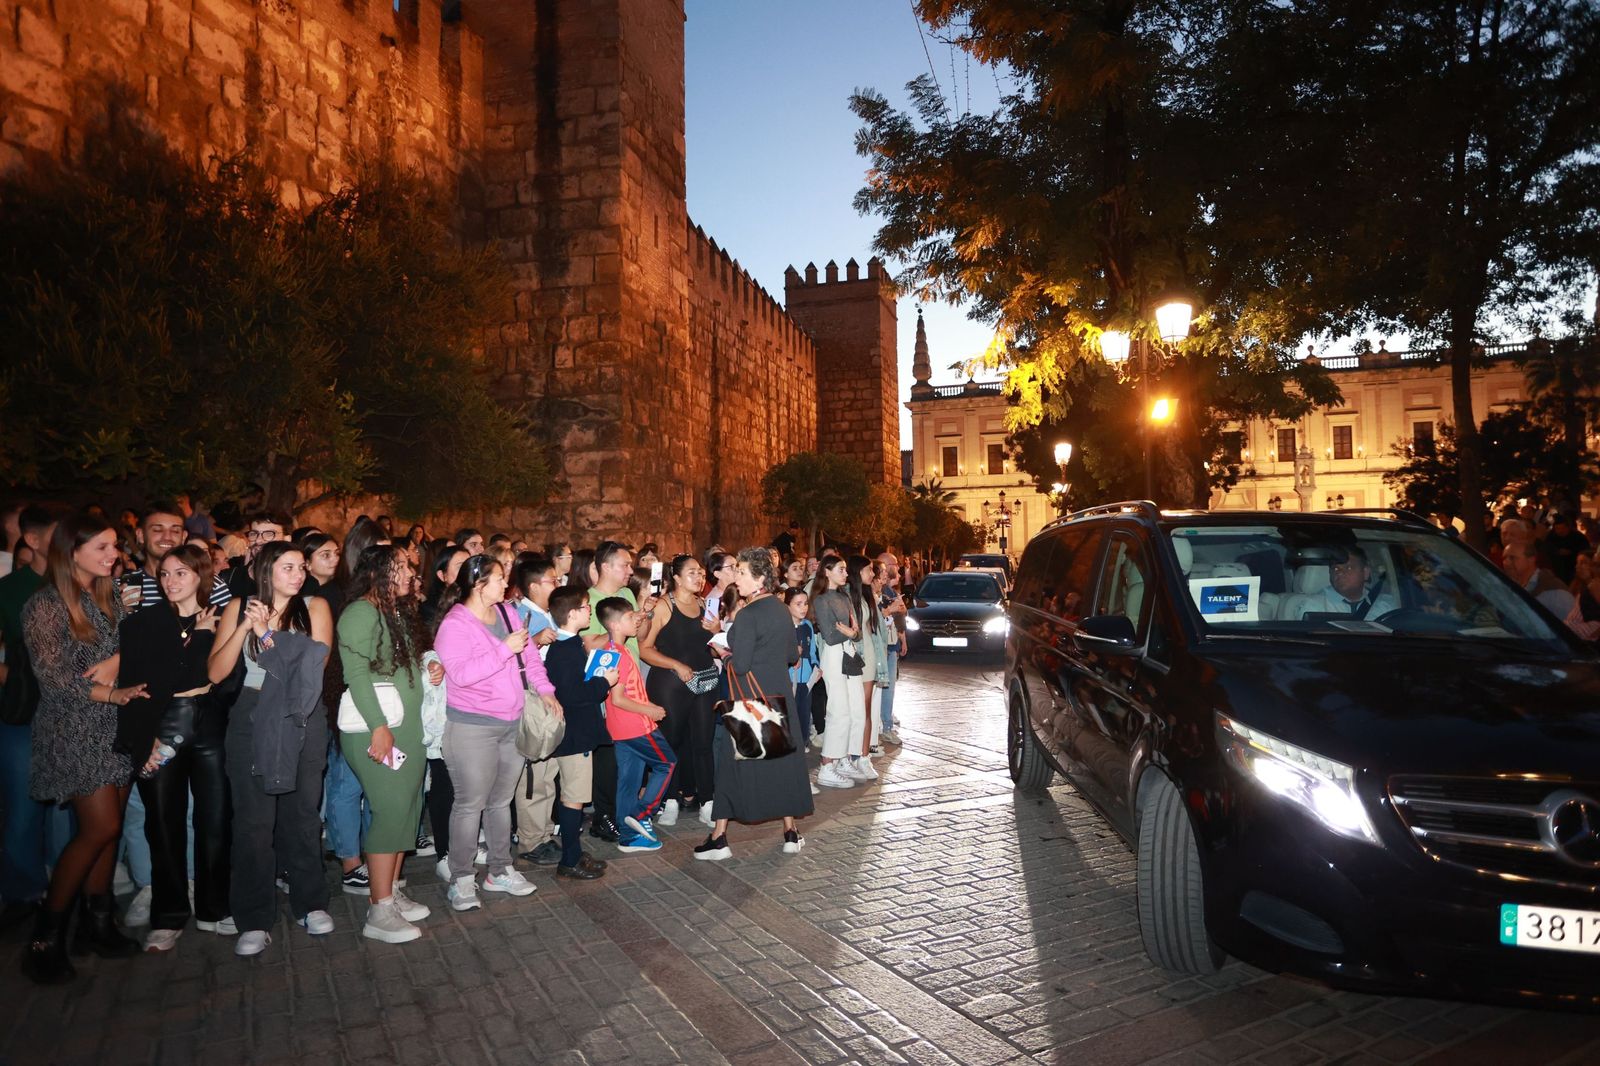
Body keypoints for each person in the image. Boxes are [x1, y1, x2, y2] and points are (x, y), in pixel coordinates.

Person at [21, 513, 147, 982]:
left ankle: (97, 925)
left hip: (117, 725)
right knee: (100, 827)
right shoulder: (45, 606)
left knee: (108, 831)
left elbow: (140, 644)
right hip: (73, 727)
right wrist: (112, 690)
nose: (114, 555)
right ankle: (43, 937)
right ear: (71, 552)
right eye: (103, 548)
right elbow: (55, 683)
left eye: (115, 546)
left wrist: (120, 660)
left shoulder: (113, 594)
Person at [208, 541, 334, 957]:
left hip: (302, 715)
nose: (298, 575)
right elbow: (216, 671)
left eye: (301, 567)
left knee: (301, 815)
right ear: (265, 570)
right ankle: (254, 918)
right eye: (287, 567)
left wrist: (268, 634)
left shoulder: (314, 608)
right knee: (253, 823)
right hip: (251, 715)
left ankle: (310, 902)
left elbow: (308, 672)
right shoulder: (239, 607)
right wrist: (246, 626)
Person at [115, 543, 234, 952]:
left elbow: (222, 678)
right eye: (164, 574)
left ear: (201, 576)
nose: (170, 582)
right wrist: (143, 738)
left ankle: (213, 908)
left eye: (180, 573)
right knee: (162, 823)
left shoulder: (220, 619)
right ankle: (168, 915)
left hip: (210, 721)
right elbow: (153, 679)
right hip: (163, 723)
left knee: (215, 820)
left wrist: (207, 634)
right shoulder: (143, 622)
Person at [433, 554, 551, 911]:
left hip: (510, 723)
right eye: (498, 578)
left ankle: (499, 870)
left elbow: (529, 656)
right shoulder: (455, 623)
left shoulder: (506, 612)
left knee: (501, 801)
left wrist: (546, 691)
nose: (505, 584)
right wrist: (503, 649)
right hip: (471, 726)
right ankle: (462, 878)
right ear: (478, 584)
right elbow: (461, 674)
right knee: (470, 804)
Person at [337, 545, 433, 944]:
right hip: (378, 730)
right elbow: (356, 674)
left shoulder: (394, 612)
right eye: (401, 567)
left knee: (406, 810)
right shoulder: (361, 612)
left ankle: (390, 893)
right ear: (380, 572)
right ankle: (378, 912)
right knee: (389, 810)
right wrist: (378, 726)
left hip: (405, 727)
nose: (410, 572)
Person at [695, 548, 814, 861]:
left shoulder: (747, 614)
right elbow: (792, 655)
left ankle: (719, 839)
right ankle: (790, 832)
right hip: (778, 697)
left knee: (732, 766)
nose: (737, 577)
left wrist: (724, 653)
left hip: (750, 699)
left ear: (760, 578)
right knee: (782, 764)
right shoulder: (778, 607)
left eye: (743, 573)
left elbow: (741, 665)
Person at [0, 505, 73, 934]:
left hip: (73, 713)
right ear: (33, 540)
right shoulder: (11, 590)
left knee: (67, 810)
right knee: (23, 807)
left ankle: (67, 891)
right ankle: (23, 893)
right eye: (58, 534)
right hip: (23, 713)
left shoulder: (79, 583)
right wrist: (12, 678)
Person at [640, 554, 719, 828]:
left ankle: (707, 801)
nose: (699, 577)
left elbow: (713, 643)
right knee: (671, 741)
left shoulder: (703, 603)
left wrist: (717, 629)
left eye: (701, 572)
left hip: (705, 680)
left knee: (702, 742)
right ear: (675, 577)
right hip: (671, 683)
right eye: (692, 572)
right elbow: (645, 650)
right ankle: (670, 799)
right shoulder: (664, 606)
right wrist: (676, 665)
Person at [543, 587, 613, 879]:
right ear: (571, 614)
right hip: (574, 734)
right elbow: (571, 694)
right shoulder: (565, 650)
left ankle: (574, 853)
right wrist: (604, 682)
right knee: (574, 798)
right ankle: (569, 859)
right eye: (585, 607)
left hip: (574, 732)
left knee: (573, 796)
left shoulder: (568, 646)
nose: (589, 611)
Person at [596, 596, 673, 853]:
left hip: (620, 729)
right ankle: (641, 815)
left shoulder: (611, 650)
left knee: (629, 781)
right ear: (616, 624)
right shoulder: (619, 654)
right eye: (630, 618)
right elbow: (618, 698)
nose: (636, 620)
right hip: (637, 725)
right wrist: (650, 710)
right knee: (667, 763)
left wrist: (643, 611)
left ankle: (628, 837)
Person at [509, 556, 562, 865]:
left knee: (547, 773)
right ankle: (530, 840)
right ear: (533, 586)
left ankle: (543, 834)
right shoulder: (521, 618)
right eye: (551, 581)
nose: (557, 585)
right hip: (532, 705)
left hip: (549, 702)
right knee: (532, 776)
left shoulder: (546, 614)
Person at [810, 556, 869, 789]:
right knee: (839, 710)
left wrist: (851, 633)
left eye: (846, 569)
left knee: (856, 709)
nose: (846, 574)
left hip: (850, 654)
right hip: (835, 657)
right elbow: (831, 635)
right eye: (841, 569)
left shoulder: (843, 597)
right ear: (827, 571)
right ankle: (827, 764)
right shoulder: (822, 600)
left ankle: (845, 756)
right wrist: (850, 632)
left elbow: (857, 631)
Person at [1297, 546, 1400, 619]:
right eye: (1336, 569)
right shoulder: (1314, 606)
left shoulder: (1385, 605)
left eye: (1349, 567)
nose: (1340, 573)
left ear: (1365, 573)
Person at [220, 513, 288, 598]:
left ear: (287, 539)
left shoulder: (295, 581)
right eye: (254, 533)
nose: (258, 540)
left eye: (269, 534)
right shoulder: (228, 578)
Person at [784, 587, 818, 750]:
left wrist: (816, 667)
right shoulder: (783, 628)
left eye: (805, 603)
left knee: (804, 712)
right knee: (791, 713)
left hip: (807, 679)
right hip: (790, 679)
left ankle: (803, 741)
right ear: (787, 606)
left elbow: (812, 652)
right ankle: (791, 744)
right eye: (798, 604)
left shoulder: (808, 626)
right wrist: (790, 659)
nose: (803, 608)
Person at [1502, 541, 1576, 617]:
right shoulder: (1505, 585)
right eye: (1504, 558)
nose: (1506, 562)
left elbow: (1568, 624)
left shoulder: (1554, 591)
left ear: (1531, 559)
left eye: (1512, 558)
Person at [299, 532, 344, 613]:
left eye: (337, 553)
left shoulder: (342, 587)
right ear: (307, 564)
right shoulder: (304, 595)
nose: (336, 559)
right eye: (326, 555)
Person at [1545, 514, 1591, 585]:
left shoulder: (1578, 537)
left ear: (1568, 528)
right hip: (1556, 567)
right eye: (1557, 528)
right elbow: (1546, 547)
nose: (1560, 531)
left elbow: (1585, 550)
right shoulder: (1551, 536)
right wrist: (1557, 551)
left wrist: (1571, 552)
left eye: (1562, 528)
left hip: (1573, 566)